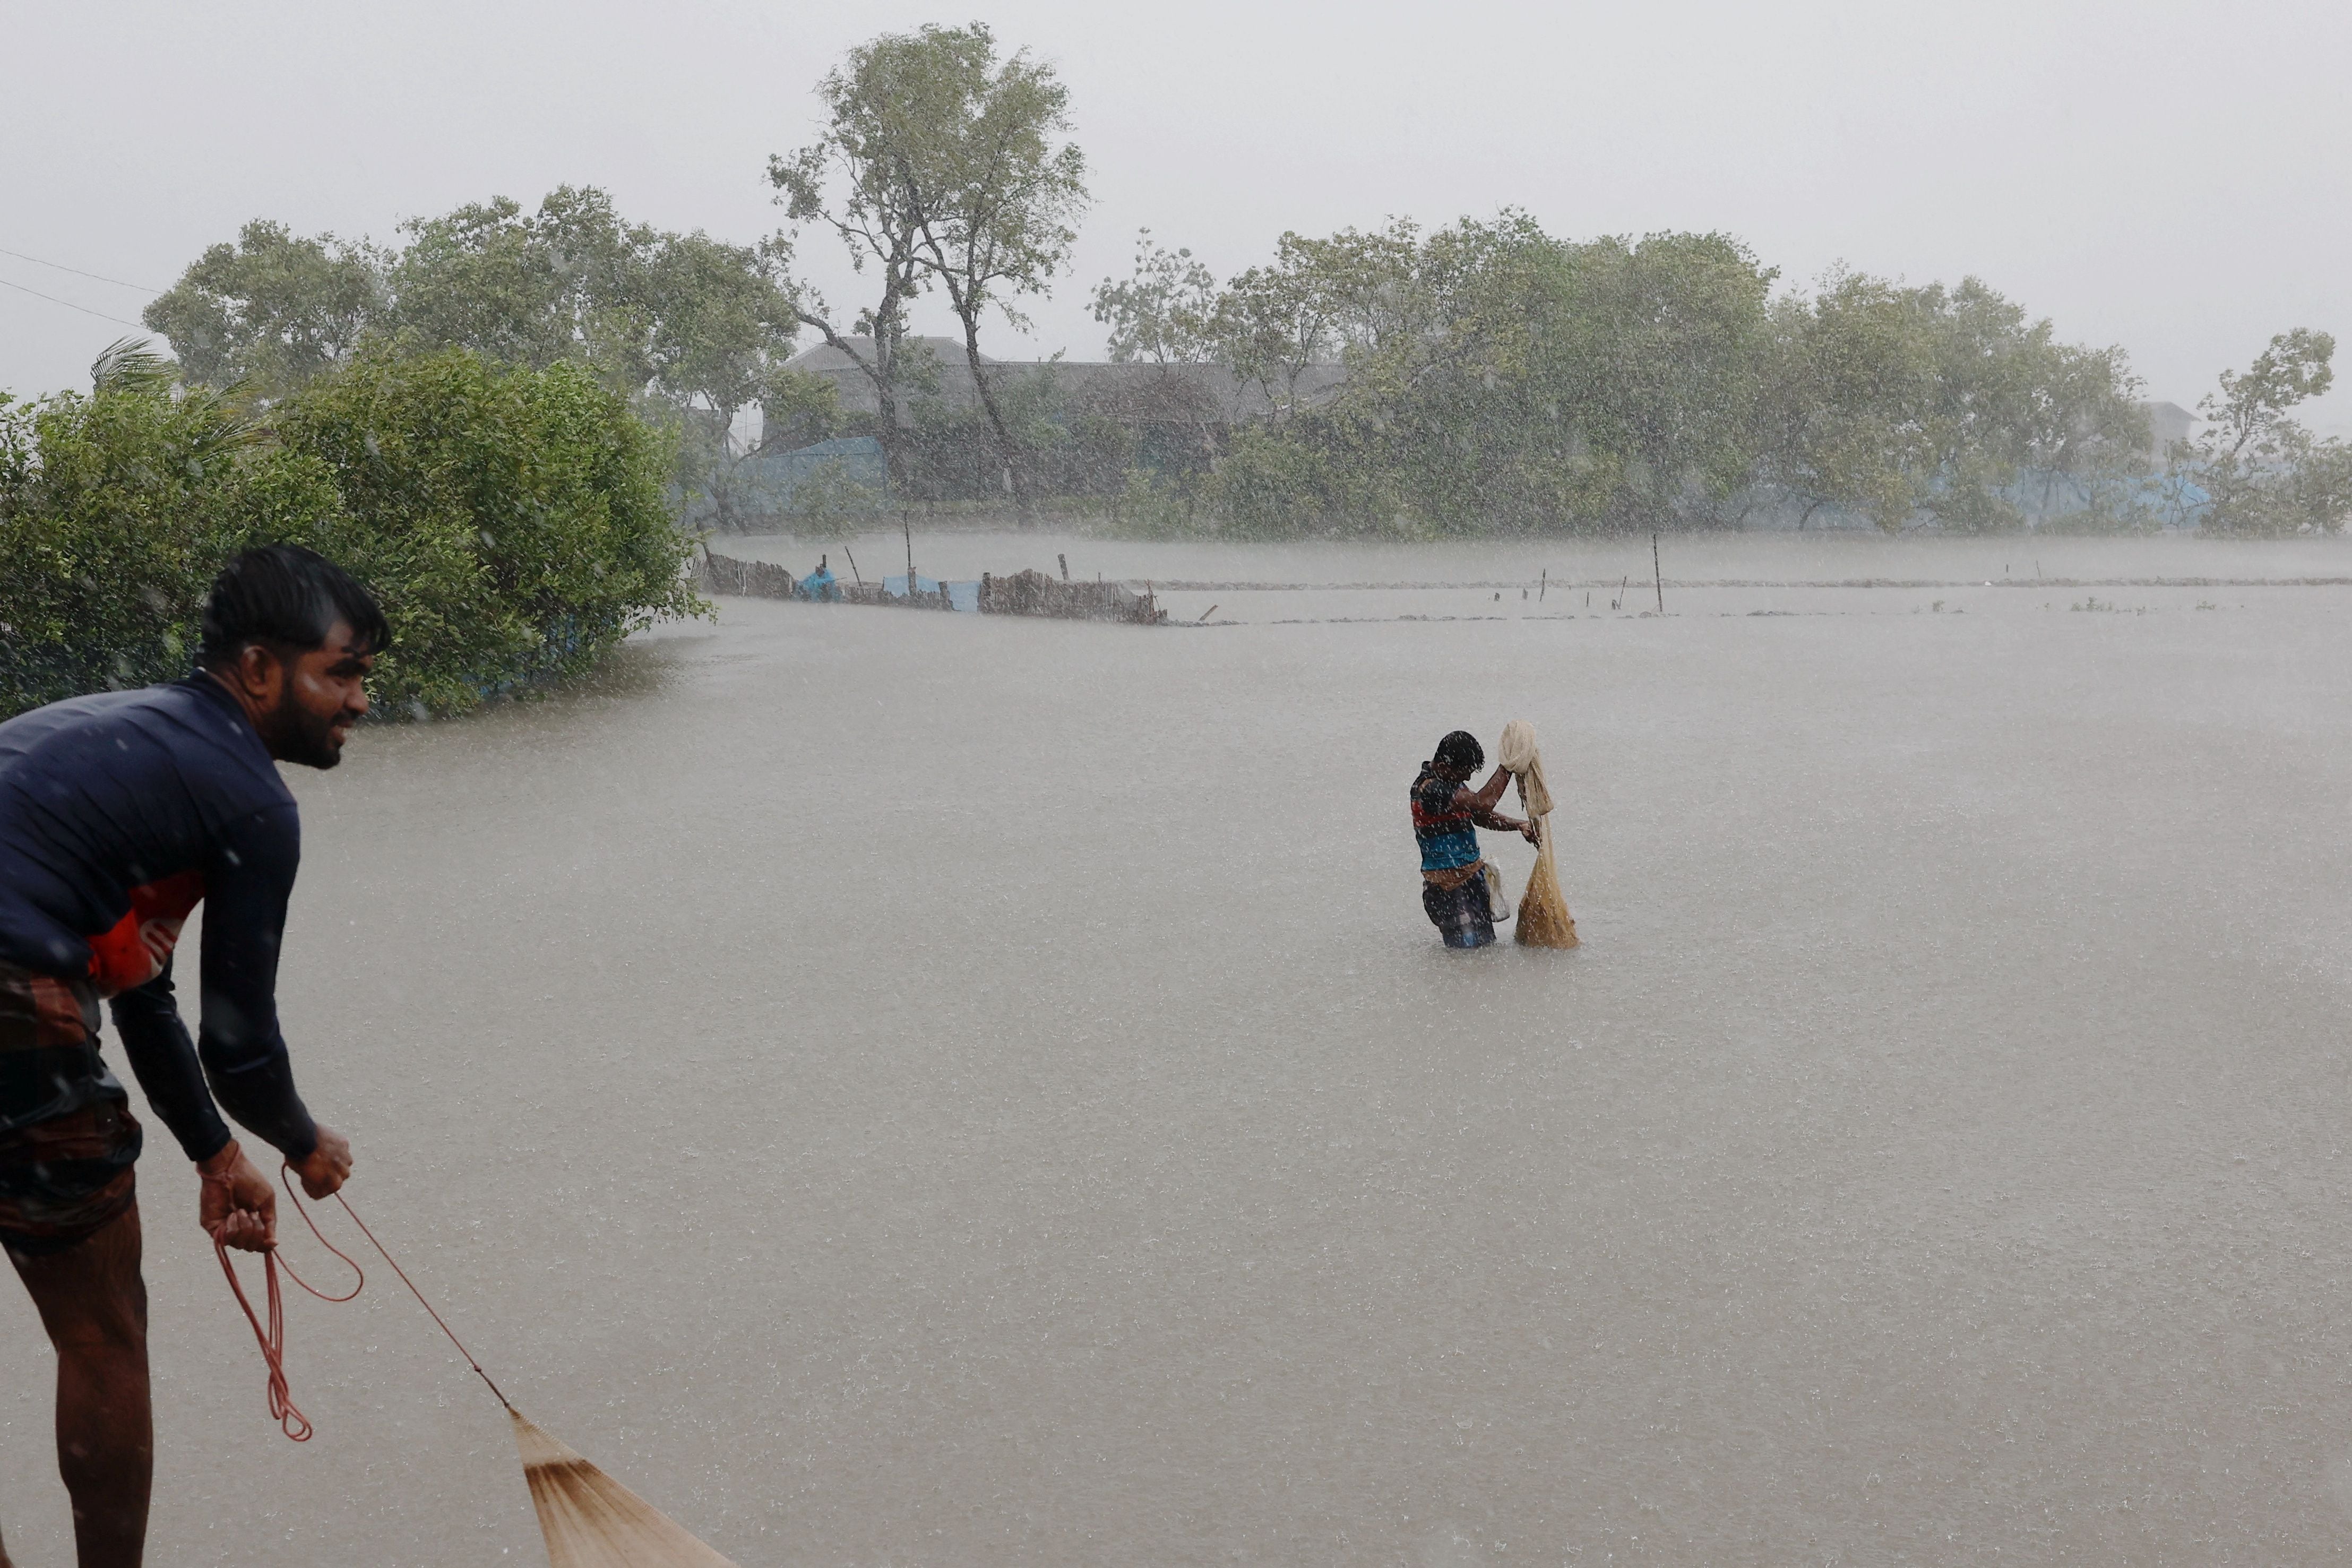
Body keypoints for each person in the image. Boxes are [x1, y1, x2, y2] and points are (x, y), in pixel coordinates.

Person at [0, 545, 380, 1568]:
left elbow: (138, 985)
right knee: (102, 1328)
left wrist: (215, 1153)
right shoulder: (251, 800)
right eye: (341, 673)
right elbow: (240, 1043)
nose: (359, 701)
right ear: (260, 669)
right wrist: (305, 1142)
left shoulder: (121, 731)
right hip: (9, 986)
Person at [1410, 730, 1537, 949]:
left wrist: (1519, 825)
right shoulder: (1430, 789)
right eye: (1465, 773)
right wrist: (1508, 766)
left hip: (1471, 881)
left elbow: (1479, 815)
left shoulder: (1451, 783)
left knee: (1485, 953)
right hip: (1448, 888)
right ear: (1444, 765)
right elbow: (1483, 803)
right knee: (1467, 958)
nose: (1468, 779)